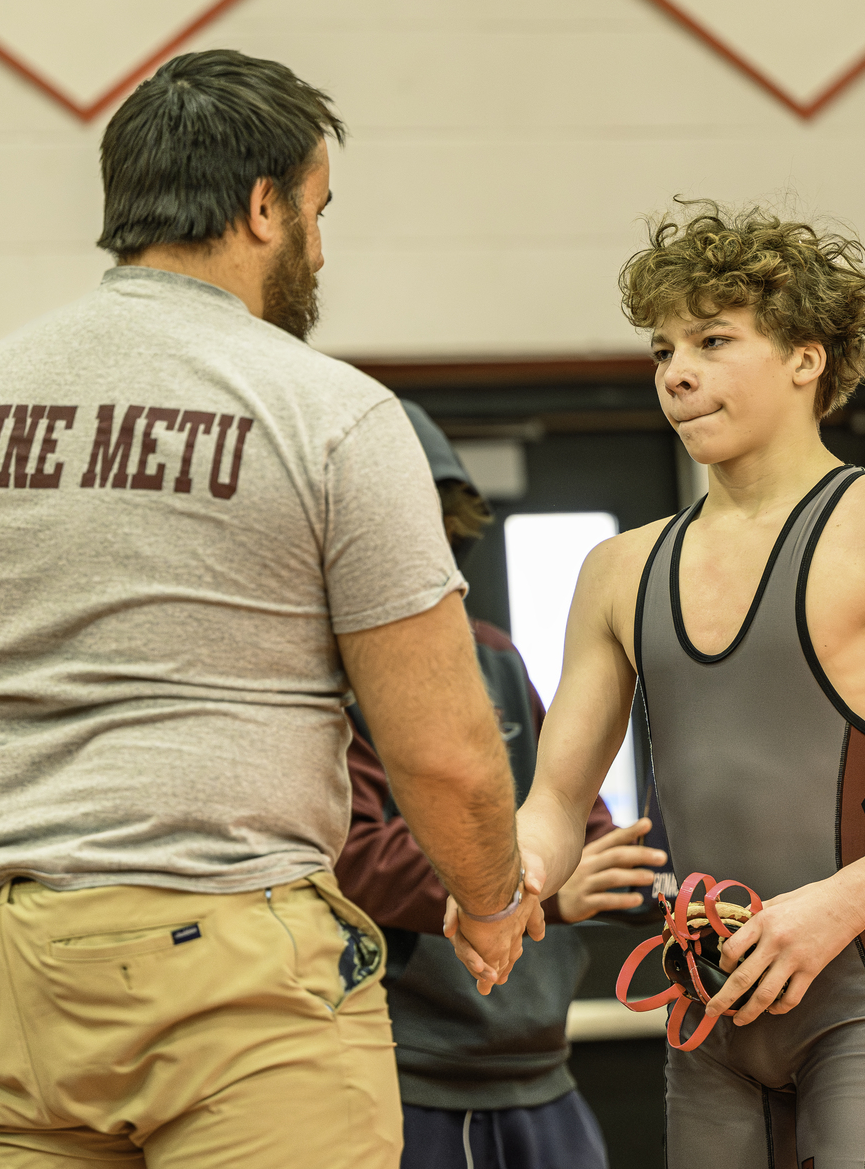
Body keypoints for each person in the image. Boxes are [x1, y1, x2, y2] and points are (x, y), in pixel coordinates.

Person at [0, 49, 537, 1169]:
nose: (322, 246)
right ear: (262, 206)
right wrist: (489, 903)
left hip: (9, 965)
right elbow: (441, 749)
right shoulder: (330, 413)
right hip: (234, 963)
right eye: (318, 209)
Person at [468, 202, 865, 1169]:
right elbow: (552, 800)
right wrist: (515, 883)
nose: (677, 371)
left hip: (860, 999)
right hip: (708, 1006)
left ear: (807, 358)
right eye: (664, 346)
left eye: (714, 340)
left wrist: (840, 902)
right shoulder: (619, 570)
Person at [336, 401, 667, 1169]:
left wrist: (641, 883)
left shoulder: (493, 657)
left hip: (541, 1071)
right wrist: (544, 892)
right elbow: (354, 859)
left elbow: (575, 812)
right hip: (409, 1076)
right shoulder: (331, 680)